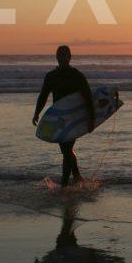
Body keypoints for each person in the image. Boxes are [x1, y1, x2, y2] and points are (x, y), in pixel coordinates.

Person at [32, 45, 95, 184]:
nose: (62, 58)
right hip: (59, 119)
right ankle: (77, 177)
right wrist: (37, 112)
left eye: (65, 55)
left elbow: (88, 98)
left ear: (70, 57)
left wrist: (91, 118)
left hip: (74, 118)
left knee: (67, 150)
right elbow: (43, 96)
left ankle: (65, 183)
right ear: (57, 57)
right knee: (66, 150)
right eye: (60, 55)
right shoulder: (51, 77)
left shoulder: (77, 76)